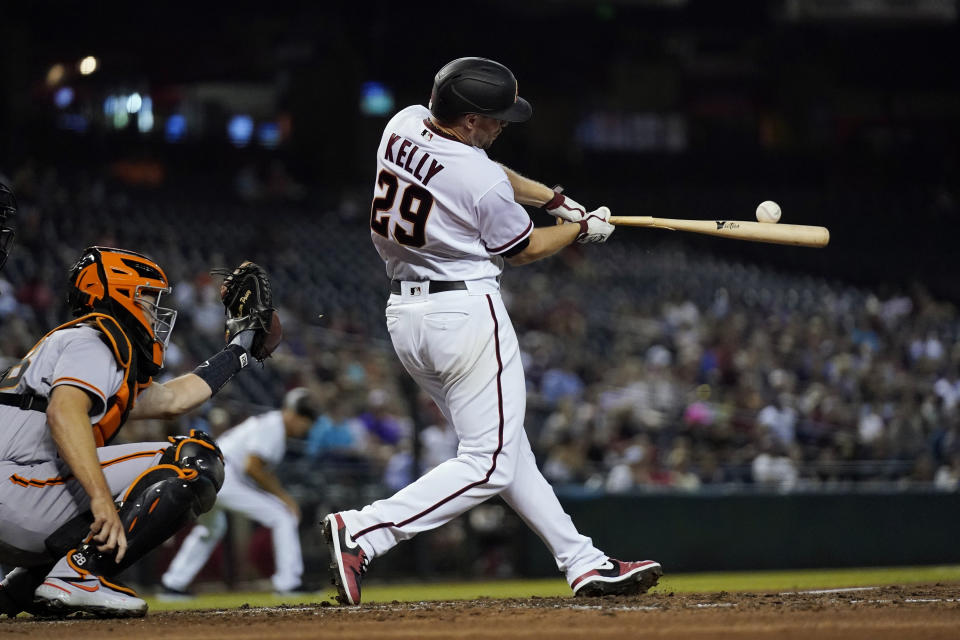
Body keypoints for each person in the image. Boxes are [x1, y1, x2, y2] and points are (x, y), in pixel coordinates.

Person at [323, 57, 661, 606]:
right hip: (465, 314)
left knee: (506, 450)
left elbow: (489, 173)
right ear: (469, 119)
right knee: (490, 461)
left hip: (408, 319)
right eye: (495, 118)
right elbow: (523, 249)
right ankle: (365, 531)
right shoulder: (475, 176)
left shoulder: (404, 122)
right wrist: (578, 230)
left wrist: (552, 200)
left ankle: (583, 562)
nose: (504, 125)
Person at [0, 246, 275, 618]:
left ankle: (20, 590)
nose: (154, 308)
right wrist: (99, 499)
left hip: (21, 494)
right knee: (193, 461)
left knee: (143, 477)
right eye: (147, 296)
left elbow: (172, 399)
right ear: (119, 292)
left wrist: (240, 348)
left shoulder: (81, 345)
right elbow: (64, 413)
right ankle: (77, 576)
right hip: (18, 489)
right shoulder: (94, 340)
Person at [160, 387, 318, 596]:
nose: (303, 426)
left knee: (212, 528)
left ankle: (173, 584)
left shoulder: (270, 424)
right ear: (292, 414)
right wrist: (284, 498)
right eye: (303, 418)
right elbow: (252, 466)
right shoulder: (274, 426)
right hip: (224, 474)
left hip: (207, 472)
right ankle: (288, 583)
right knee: (283, 515)